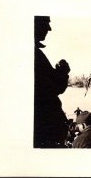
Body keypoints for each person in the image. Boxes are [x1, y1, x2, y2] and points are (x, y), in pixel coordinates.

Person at [34, 16, 70, 148]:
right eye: (46, 23)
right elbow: (55, 88)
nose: (49, 28)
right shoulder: (35, 56)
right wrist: (63, 72)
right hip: (45, 130)